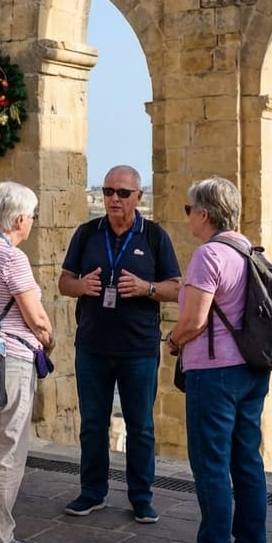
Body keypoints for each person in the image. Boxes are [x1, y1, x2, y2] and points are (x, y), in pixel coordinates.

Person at [58, 165, 180, 523]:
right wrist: (79, 287)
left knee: (140, 426)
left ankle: (141, 497)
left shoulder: (155, 237)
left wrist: (147, 289)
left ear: (138, 197)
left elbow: (176, 288)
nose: (113, 198)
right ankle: (92, 491)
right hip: (92, 347)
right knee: (93, 423)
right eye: (108, 191)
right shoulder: (87, 234)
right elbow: (64, 281)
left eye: (123, 193)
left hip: (138, 351)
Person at [166, 176, 268, 543]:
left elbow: (194, 319)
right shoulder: (249, 250)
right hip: (252, 371)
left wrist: (173, 341)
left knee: (210, 464)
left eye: (189, 209)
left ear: (204, 214)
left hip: (215, 373)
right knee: (246, 462)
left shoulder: (209, 254)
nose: (188, 217)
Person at [0, 181, 55, 543]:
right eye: (33, 216)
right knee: (9, 449)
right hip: (12, 360)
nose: (33, 223)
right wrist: (48, 339)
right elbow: (35, 315)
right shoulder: (12, 258)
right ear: (21, 218)